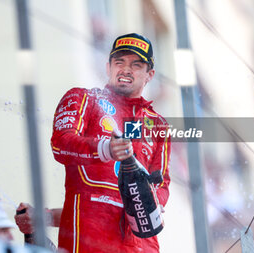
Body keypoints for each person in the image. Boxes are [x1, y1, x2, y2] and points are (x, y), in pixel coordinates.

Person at [50, 33, 171, 252]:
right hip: (88, 237)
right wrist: (105, 149)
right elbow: (61, 144)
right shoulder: (83, 98)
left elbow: (162, 181)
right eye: (119, 62)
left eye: (136, 65)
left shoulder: (158, 125)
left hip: (142, 244)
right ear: (108, 67)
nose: (126, 69)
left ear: (149, 75)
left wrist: (156, 202)